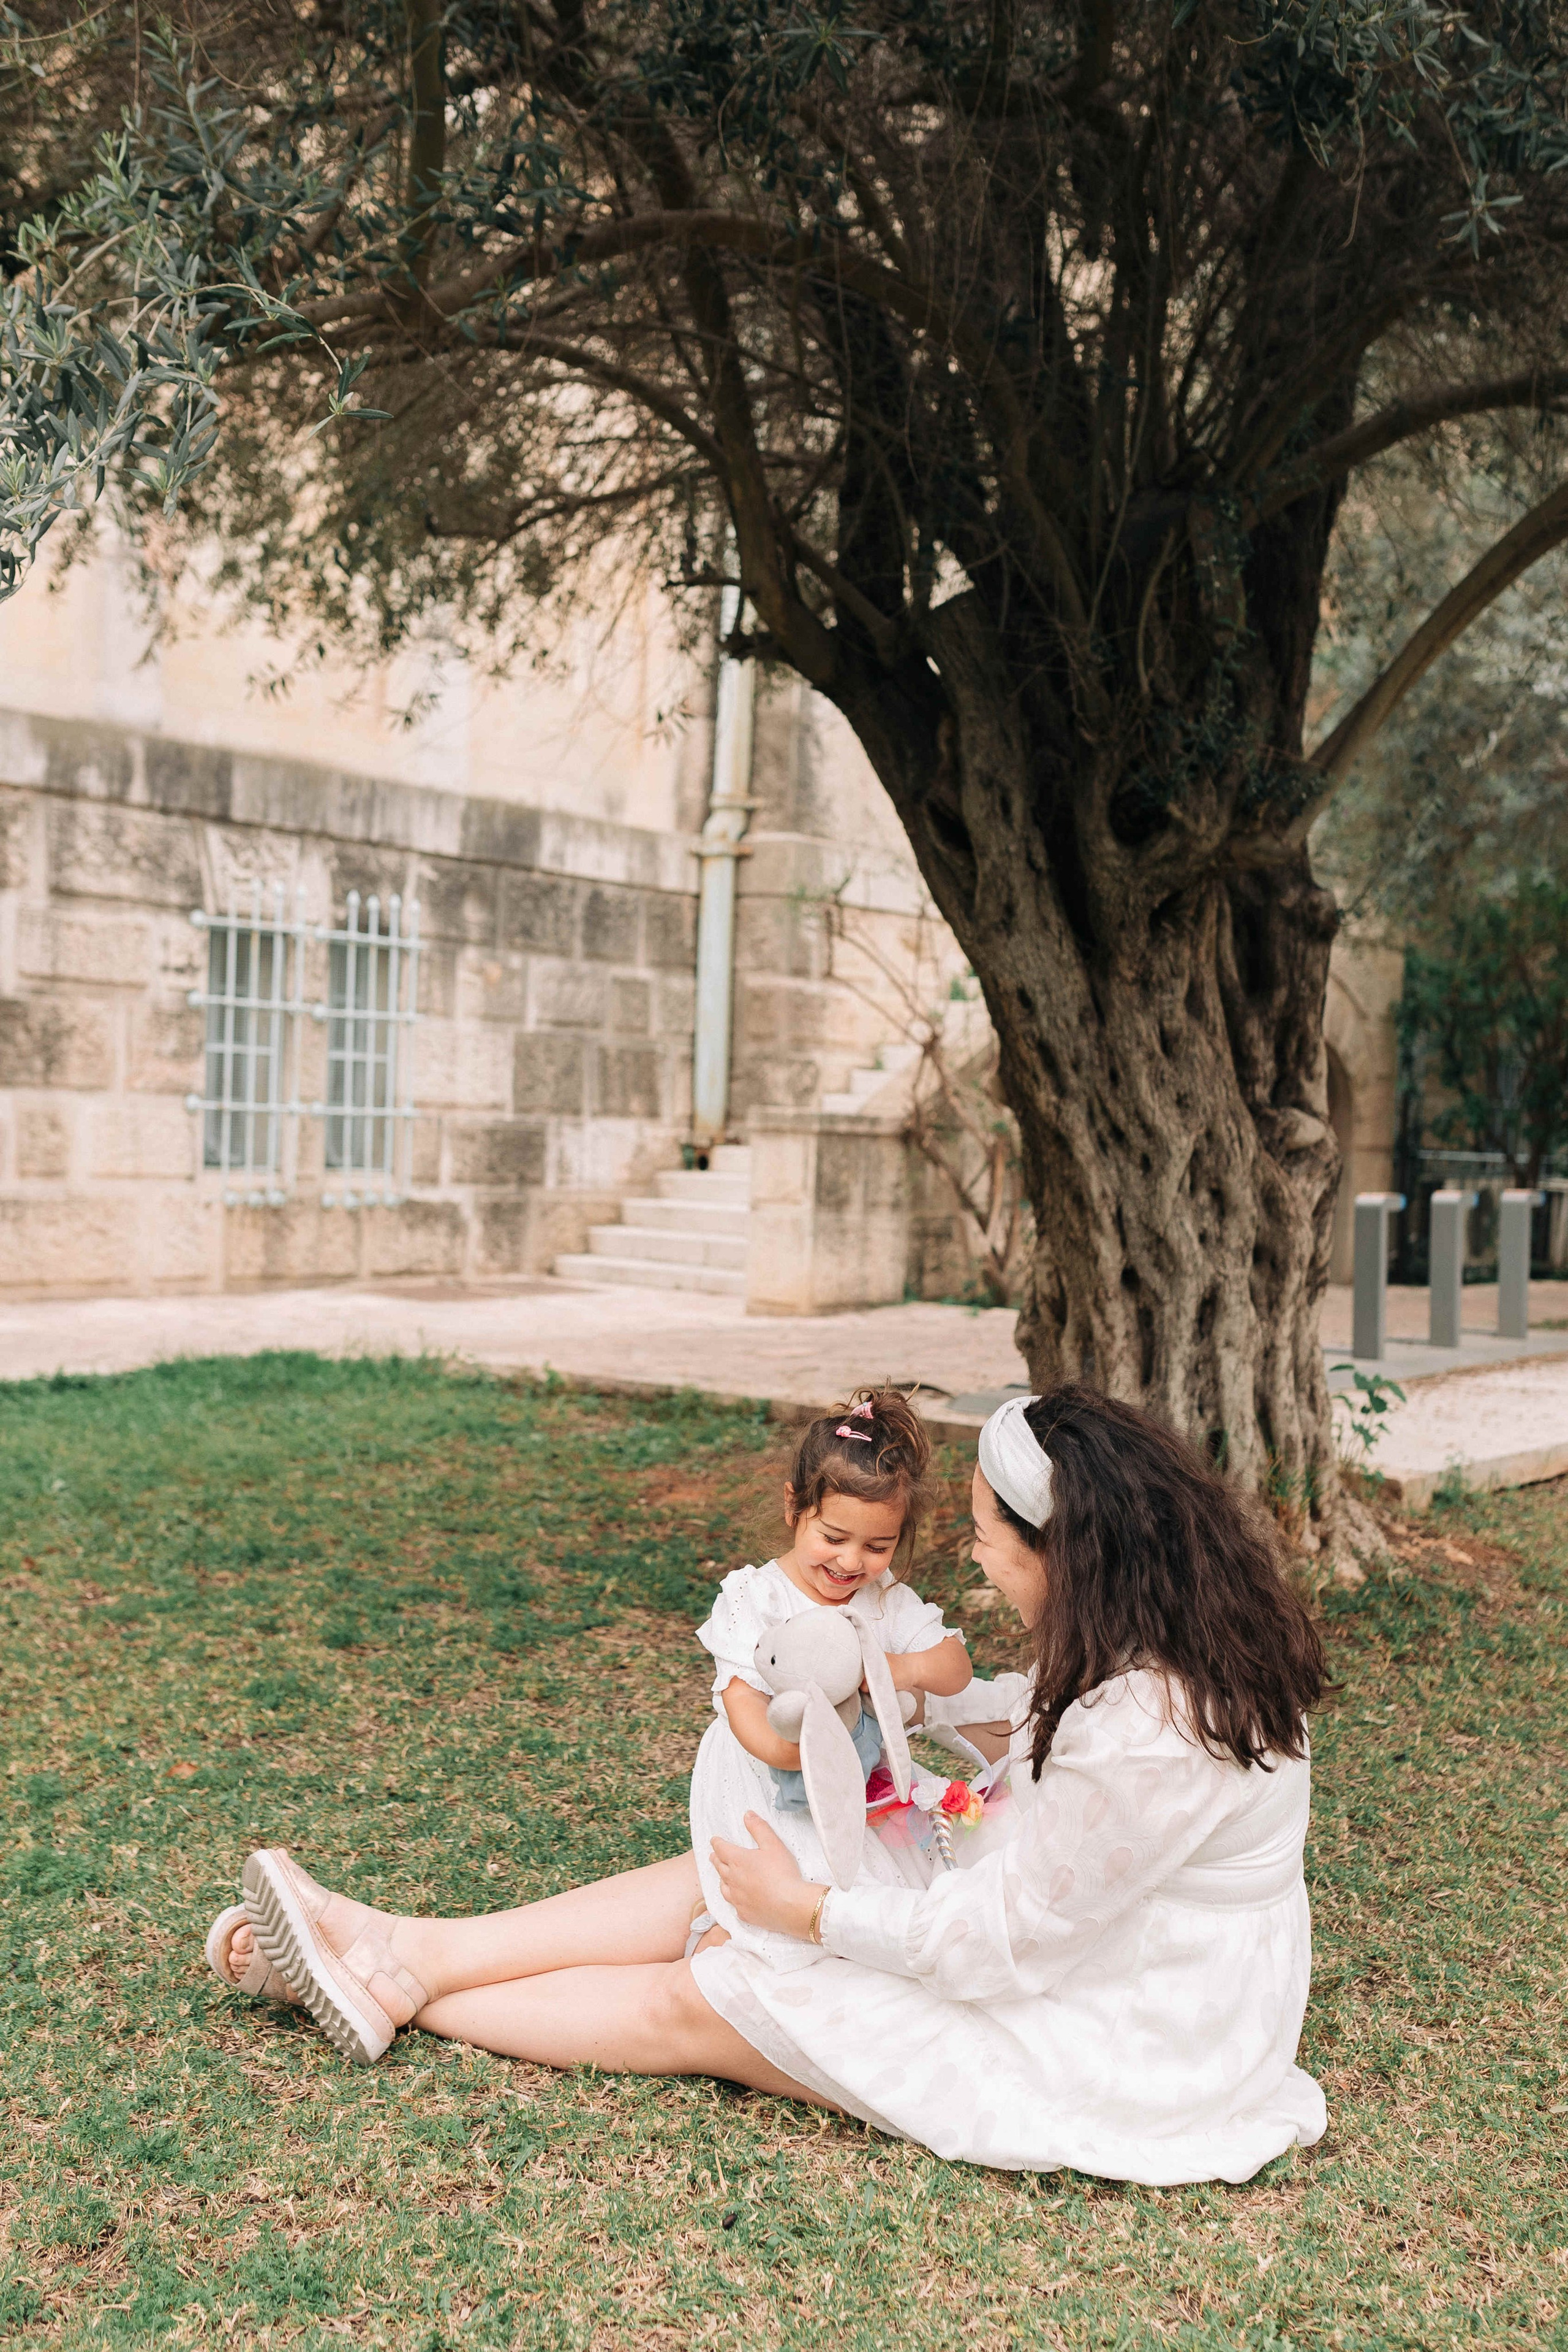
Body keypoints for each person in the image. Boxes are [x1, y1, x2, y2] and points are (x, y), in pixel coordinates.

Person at [210, 1384, 1329, 2186]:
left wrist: (815, 1916)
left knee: (707, 1991)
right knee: (723, 1867)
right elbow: (1020, 1720)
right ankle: (392, 1946)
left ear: (1070, 1553)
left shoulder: (1153, 1730)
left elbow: (1002, 1943)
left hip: (1115, 2038)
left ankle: (385, 1983)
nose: (980, 1562)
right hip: (1077, 1949)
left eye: (992, 1541)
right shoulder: (1168, 1645)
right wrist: (901, 1705)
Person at [687, 1386, 973, 1966]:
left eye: (878, 1545)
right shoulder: (755, 1595)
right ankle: (720, 1959)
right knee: (777, 1883)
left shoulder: (884, 1597)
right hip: (766, 1776)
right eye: (833, 1538)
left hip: (857, 1776)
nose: (851, 1563)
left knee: (865, 1883)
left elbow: (955, 1670)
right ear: (795, 1507)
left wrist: (898, 1668)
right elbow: (741, 1704)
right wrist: (803, 1755)